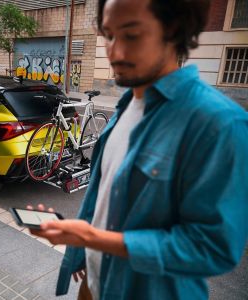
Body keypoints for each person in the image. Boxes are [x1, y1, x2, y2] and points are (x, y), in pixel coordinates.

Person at [28, 0, 248, 299]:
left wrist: (95, 238)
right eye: (109, 35)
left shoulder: (219, 123)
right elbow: (106, 199)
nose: (114, 52)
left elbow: (214, 248)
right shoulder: (126, 107)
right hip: (93, 284)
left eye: (131, 35)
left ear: (173, 30)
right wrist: (80, 240)